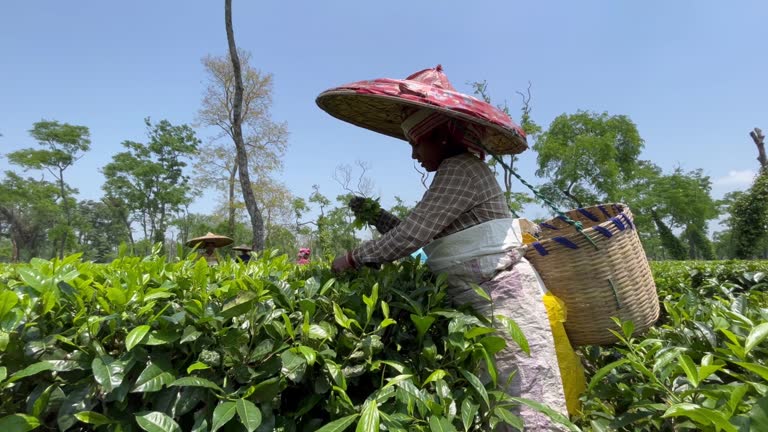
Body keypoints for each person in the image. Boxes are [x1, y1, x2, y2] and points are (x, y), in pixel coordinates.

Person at [316, 65, 567, 430]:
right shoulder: (456, 172)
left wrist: (352, 258)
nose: (415, 155)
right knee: (497, 401)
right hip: (480, 304)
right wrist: (377, 215)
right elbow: (424, 232)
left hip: (501, 301)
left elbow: (411, 237)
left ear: (442, 136)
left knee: (522, 403)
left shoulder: (460, 170)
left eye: (416, 142)